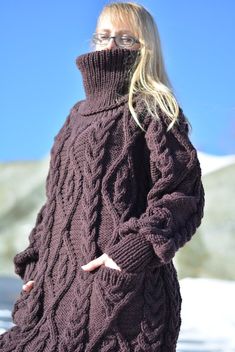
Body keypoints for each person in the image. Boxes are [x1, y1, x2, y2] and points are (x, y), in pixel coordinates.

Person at [0, 2, 205, 352]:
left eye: (126, 39)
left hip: (122, 300)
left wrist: (127, 254)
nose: (111, 47)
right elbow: (57, 205)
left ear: (146, 49)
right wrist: (35, 266)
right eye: (104, 36)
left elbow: (182, 195)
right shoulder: (74, 118)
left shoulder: (153, 108)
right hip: (52, 298)